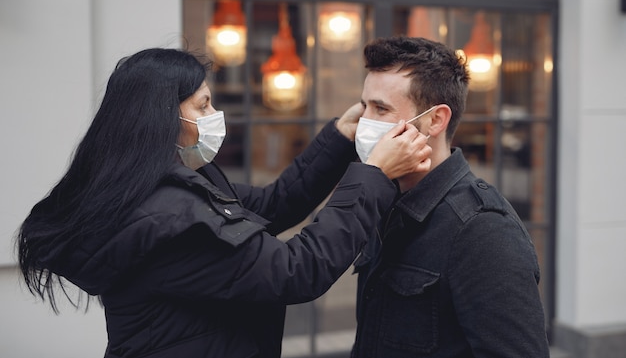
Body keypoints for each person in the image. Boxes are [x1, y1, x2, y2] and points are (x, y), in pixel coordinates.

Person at [16, 48, 432, 358]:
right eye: (203, 106)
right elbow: (296, 272)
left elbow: (272, 205)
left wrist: (340, 138)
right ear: (163, 118)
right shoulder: (169, 219)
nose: (216, 114)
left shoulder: (170, 184)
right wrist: (372, 176)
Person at [350, 36, 550, 358]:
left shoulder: (483, 231)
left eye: (381, 109)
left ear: (434, 120)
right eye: (365, 107)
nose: (365, 123)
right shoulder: (386, 200)